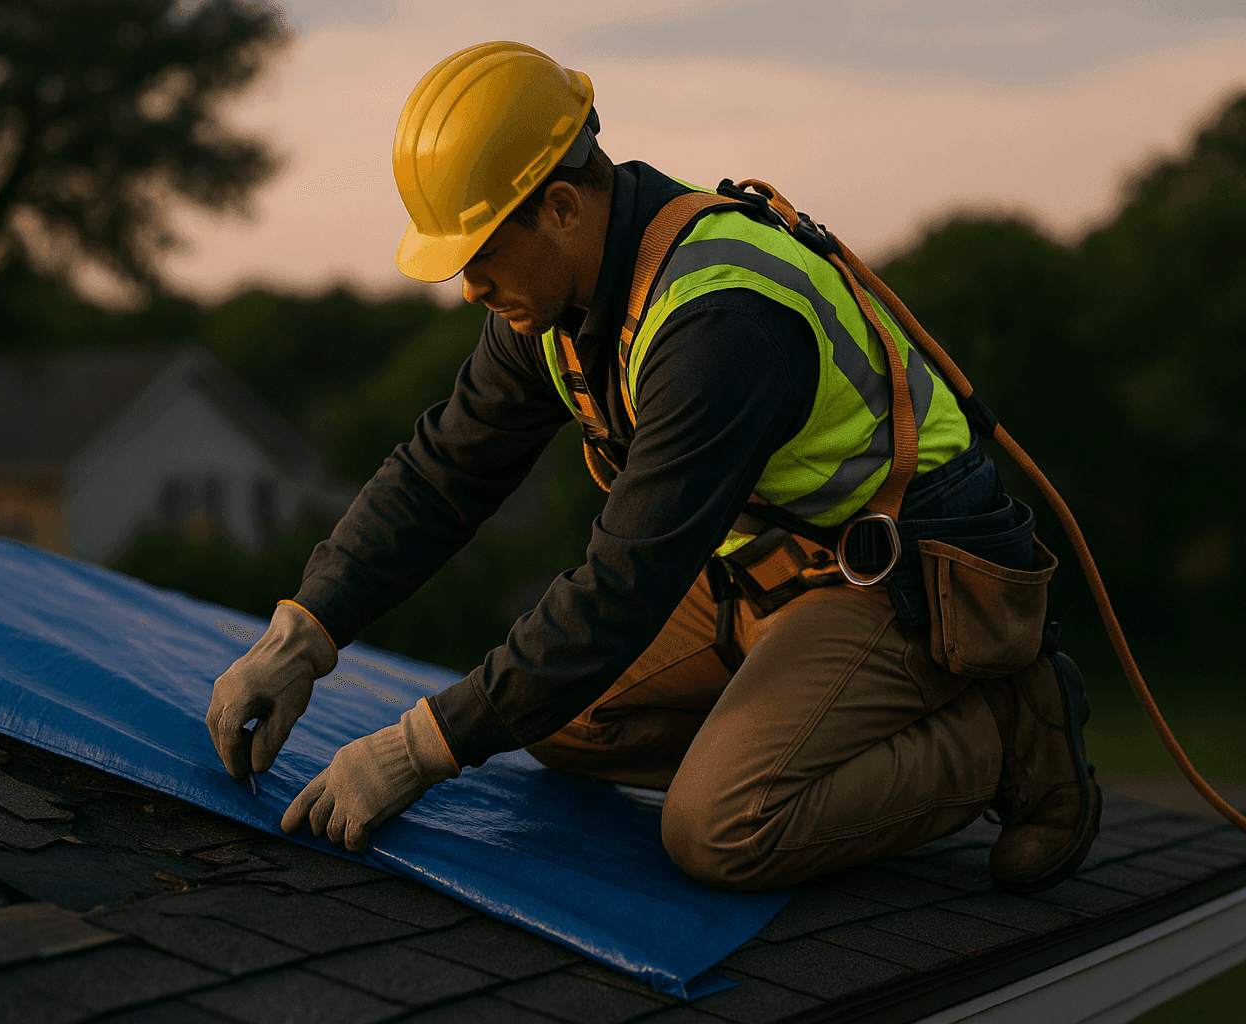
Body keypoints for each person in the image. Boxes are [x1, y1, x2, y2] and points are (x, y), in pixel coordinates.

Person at [204, 41, 1101, 893]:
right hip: (754, 580)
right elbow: (445, 472)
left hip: (887, 580)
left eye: (477, 256)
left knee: (719, 827)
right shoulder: (552, 304)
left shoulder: (722, 321)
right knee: (549, 717)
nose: (467, 288)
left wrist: (419, 748)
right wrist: (300, 635)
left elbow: (627, 581)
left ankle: (1005, 725)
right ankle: (797, 725)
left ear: (560, 207)